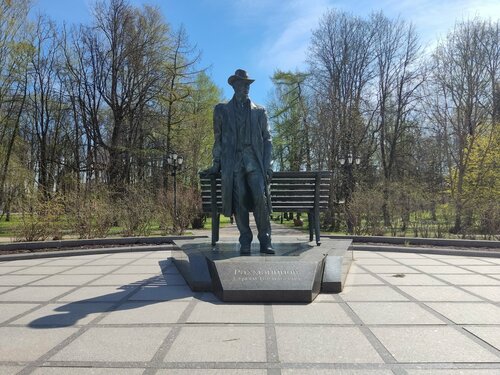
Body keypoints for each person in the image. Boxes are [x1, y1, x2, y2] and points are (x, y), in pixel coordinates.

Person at [207, 69, 274, 255]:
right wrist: (217, 163)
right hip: (234, 163)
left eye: (248, 85)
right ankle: (245, 241)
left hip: (254, 162)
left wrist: (268, 165)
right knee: (240, 202)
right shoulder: (222, 110)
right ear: (235, 86)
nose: (246, 88)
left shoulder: (259, 112)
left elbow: (267, 139)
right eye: (243, 85)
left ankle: (265, 240)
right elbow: (218, 139)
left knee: (260, 198)